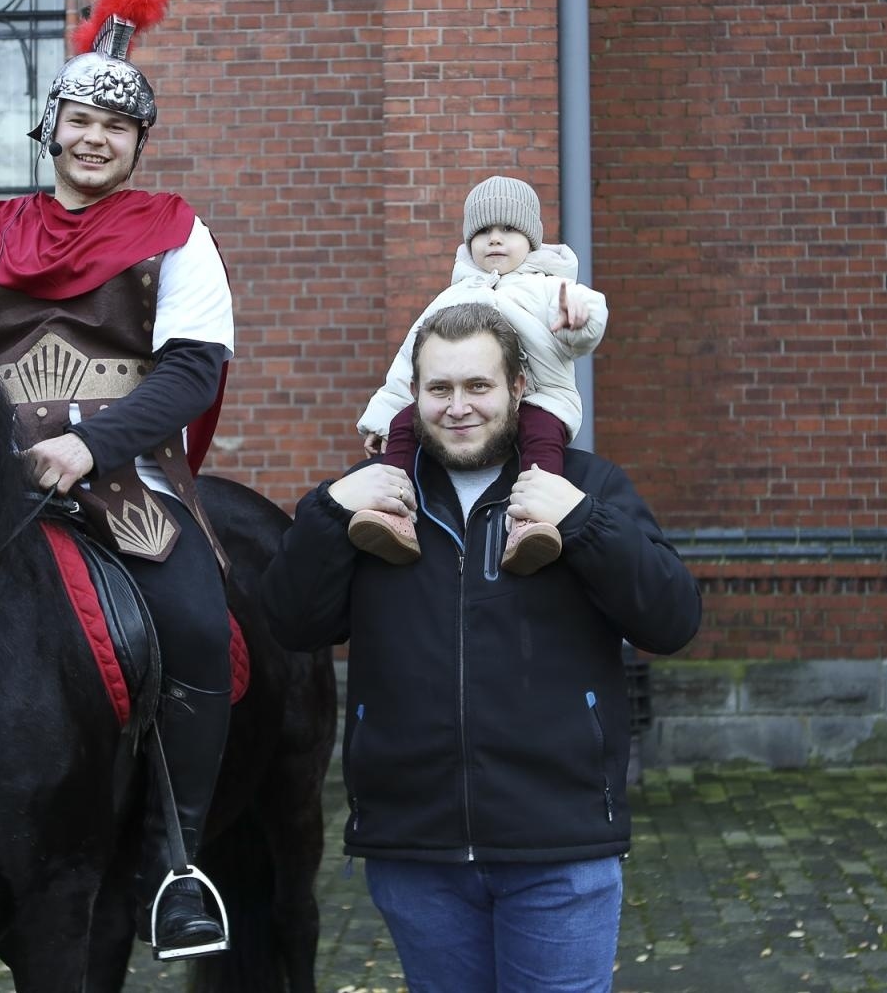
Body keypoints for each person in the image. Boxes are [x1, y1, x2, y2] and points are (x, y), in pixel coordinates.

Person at [263, 303, 701, 993]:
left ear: (518, 388)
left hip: (560, 847)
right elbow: (291, 624)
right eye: (439, 388)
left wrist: (582, 523)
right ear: (413, 394)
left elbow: (672, 620)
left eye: (478, 386)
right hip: (415, 849)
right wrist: (328, 510)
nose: (458, 406)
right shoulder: (376, 502)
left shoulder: (587, 487)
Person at [0, 0, 233, 960]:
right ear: (52, 127)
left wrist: (88, 444)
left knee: (200, 626)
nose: (96, 138)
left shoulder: (177, 232)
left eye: (117, 127)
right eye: (81, 120)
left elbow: (192, 371)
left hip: (125, 486)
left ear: (137, 143)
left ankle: (174, 858)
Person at [352, 175, 609, 575]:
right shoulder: (453, 296)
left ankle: (531, 522)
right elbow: (411, 361)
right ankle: (393, 512)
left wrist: (578, 319)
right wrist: (381, 418)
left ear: (531, 240)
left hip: (541, 397)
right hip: (469, 397)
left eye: (508, 229)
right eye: (484, 231)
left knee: (542, 437)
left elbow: (586, 321)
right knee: (404, 423)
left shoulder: (549, 288)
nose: (495, 239)